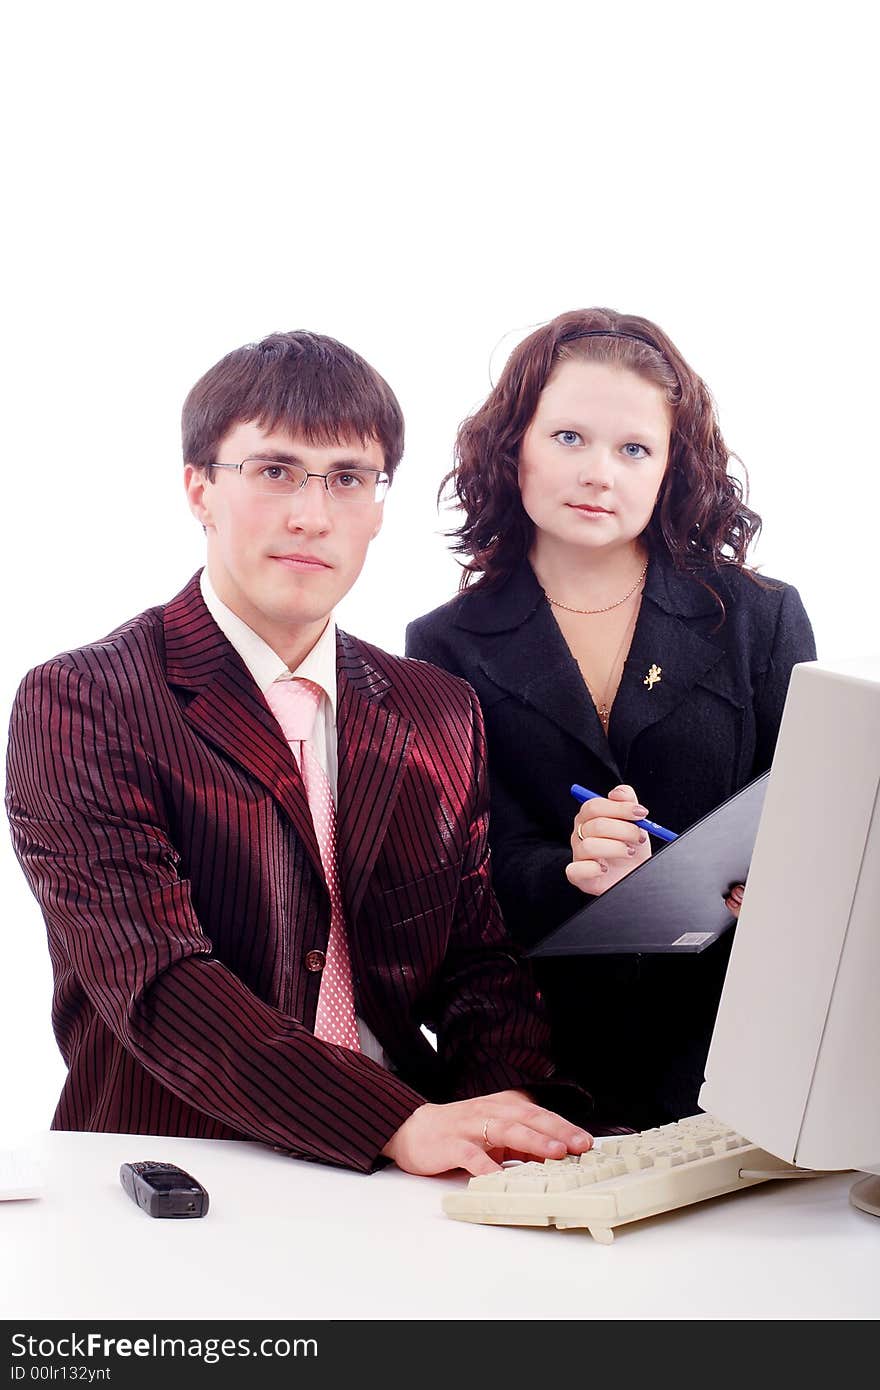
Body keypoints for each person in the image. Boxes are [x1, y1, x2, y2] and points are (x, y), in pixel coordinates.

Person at [5, 329, 595, 1178]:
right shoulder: (84, 700)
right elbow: (160, 982)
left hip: (407, 1177)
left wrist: (504, 1123)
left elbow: (479, 962)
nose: (312, 515)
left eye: (348, 478)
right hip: (178, 1168)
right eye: (275, 471)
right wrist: (397, 1122)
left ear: (380, 508)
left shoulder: (435, 709)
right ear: (199, 489)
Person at [406, 307, 816, 1130]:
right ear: (512, 444)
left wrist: (783, 883)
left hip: (736, 1052)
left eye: (634, 449)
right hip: (541, 1061)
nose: (601, 473)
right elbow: (461, 876)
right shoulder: (443, 644)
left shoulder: (756, 617)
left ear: (671, 468)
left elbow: (813, 820)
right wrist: (568, 869)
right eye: (568, 438)